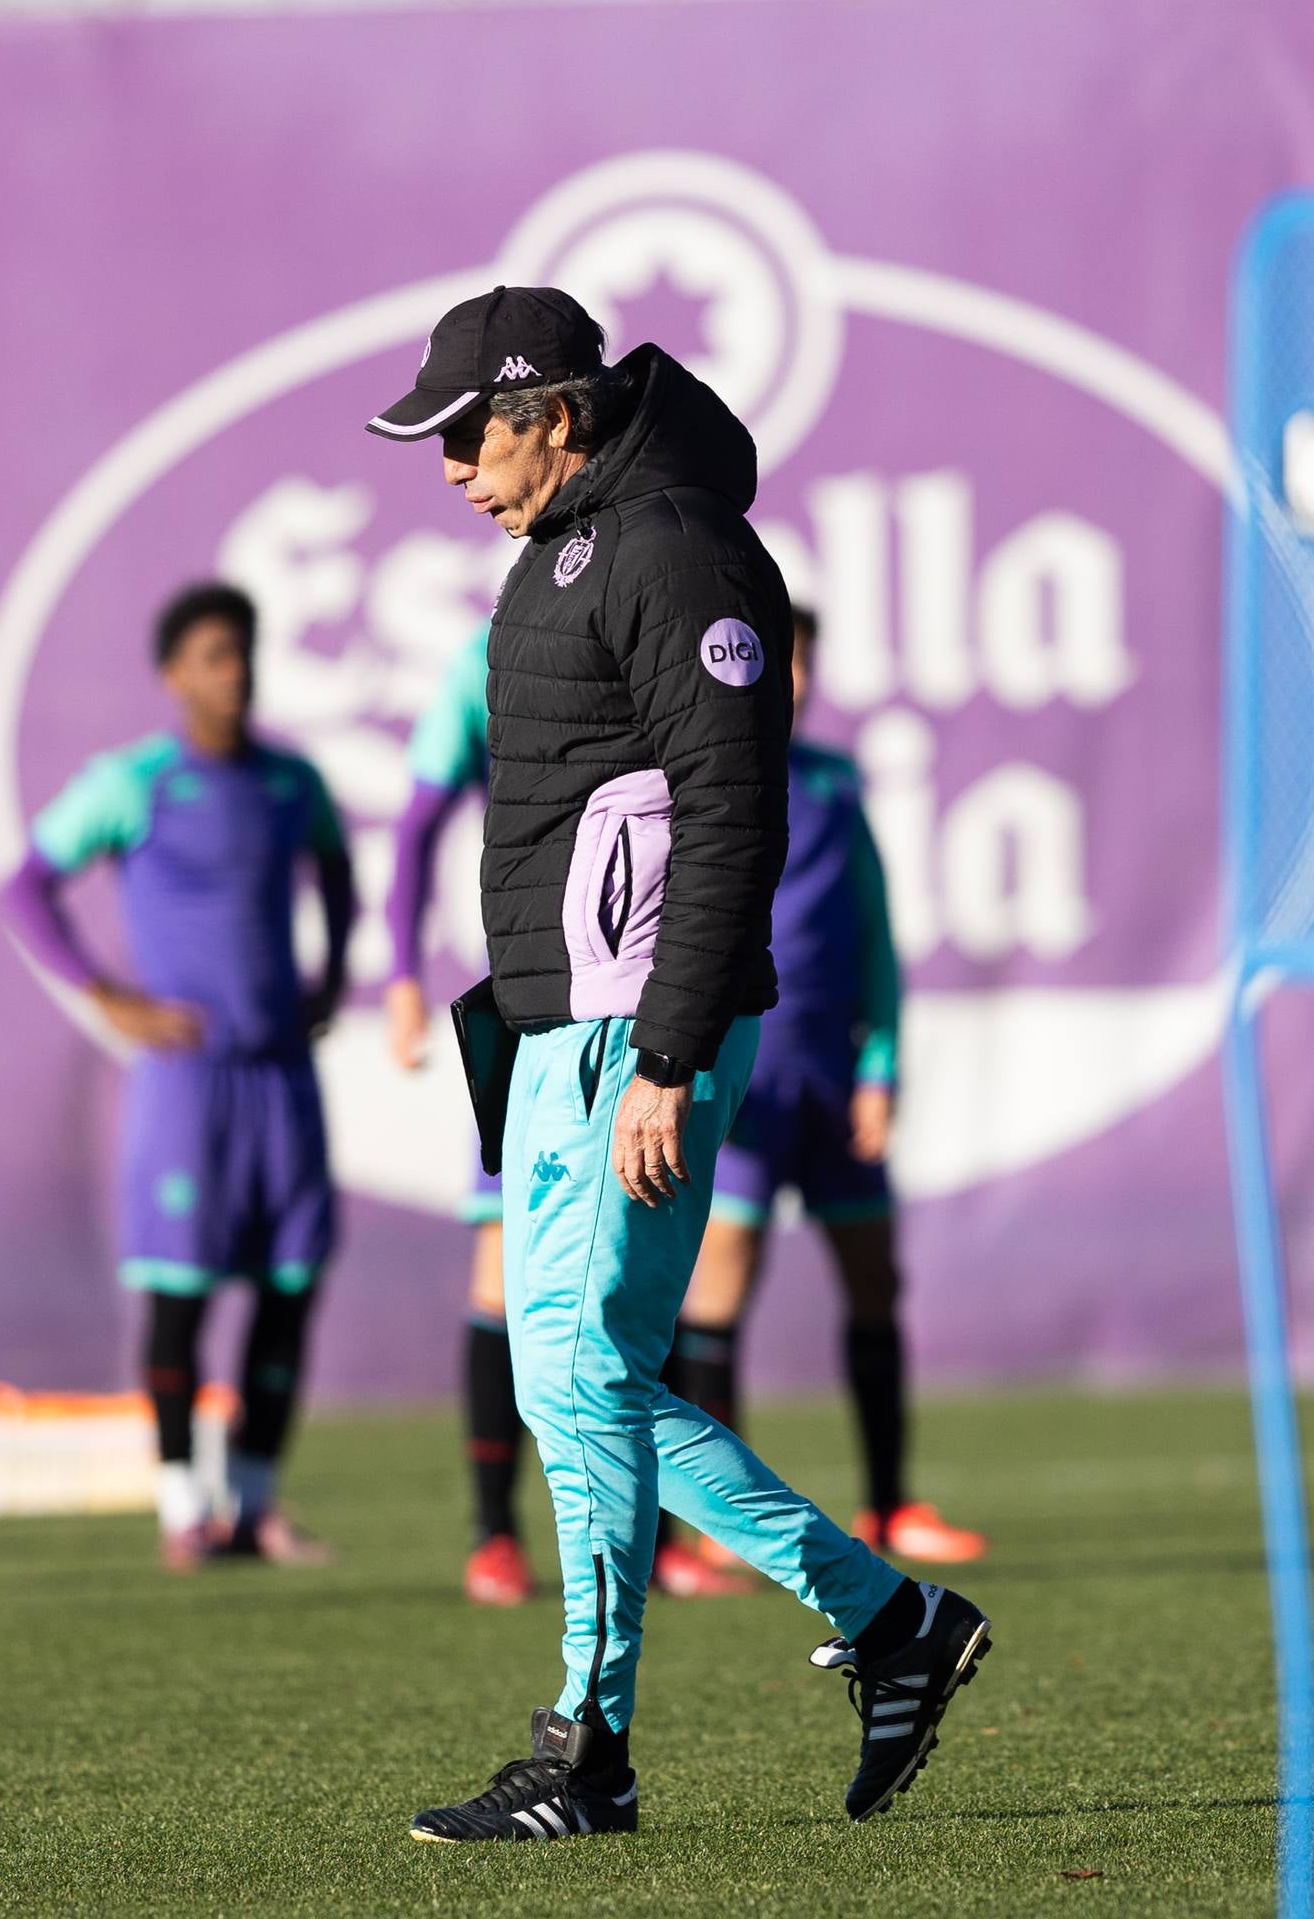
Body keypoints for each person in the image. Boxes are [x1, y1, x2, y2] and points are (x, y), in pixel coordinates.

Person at [365, 286, 991, 1840]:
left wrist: (664, 1052)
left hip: (626, 1032)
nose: (447, 466)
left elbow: (728, 813)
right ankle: (889, 1622)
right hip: (561, 1025)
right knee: (579, 1382)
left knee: (580, 1377)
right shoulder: (570, 549)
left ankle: (590, 1752)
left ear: (551, 415)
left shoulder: (674, 548)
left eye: (467, 433)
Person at [0, 583, 355, 1572]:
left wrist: (331, 974)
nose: (234, 673)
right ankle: (180, 1509)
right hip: (187, 1087)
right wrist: (107, 996)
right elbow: (26, 884)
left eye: (242, 652)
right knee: (180, 1296)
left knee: (289, 1287)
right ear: (172, 676)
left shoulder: (291, 783)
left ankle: (255, 1505)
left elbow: (337, 872)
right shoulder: (135, 784)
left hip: (280, 1078)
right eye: (211, 656)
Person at [655, 606, 984, 1598]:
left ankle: (888, 1502)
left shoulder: (835, 784)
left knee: (875, 1282)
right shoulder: (694, 778)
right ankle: (718, 1527)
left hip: (830, 1085)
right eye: (775, 661)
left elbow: (875, 933)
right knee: (716, 1296)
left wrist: (879, 1069)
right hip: (741, 1082)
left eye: (801, 662)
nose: (789, 679)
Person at [384, 624, 537, 1607]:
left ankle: (657, 1544)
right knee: (503, 1264)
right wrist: (400, 975)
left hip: (648, 998)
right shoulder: (485, 660)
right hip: (533, 995)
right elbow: (414, 826)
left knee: (639, 1279)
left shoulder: (655, 626)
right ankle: (494, 1532)